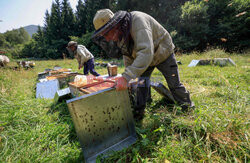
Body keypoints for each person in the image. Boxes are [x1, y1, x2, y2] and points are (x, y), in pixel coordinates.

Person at [92, 9, 194, 118]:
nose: (107, 39)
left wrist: (126, 77)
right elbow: (128, 55)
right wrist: (129, 77)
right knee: (140, 85)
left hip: (163, 52)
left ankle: (188, 110)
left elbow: (146, 52)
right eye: (103, 35)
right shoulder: (120, 34)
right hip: (144, 57)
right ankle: (138, 114)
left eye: (107, 33)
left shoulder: (138, 21)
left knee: (174, 84)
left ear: (115, 25)